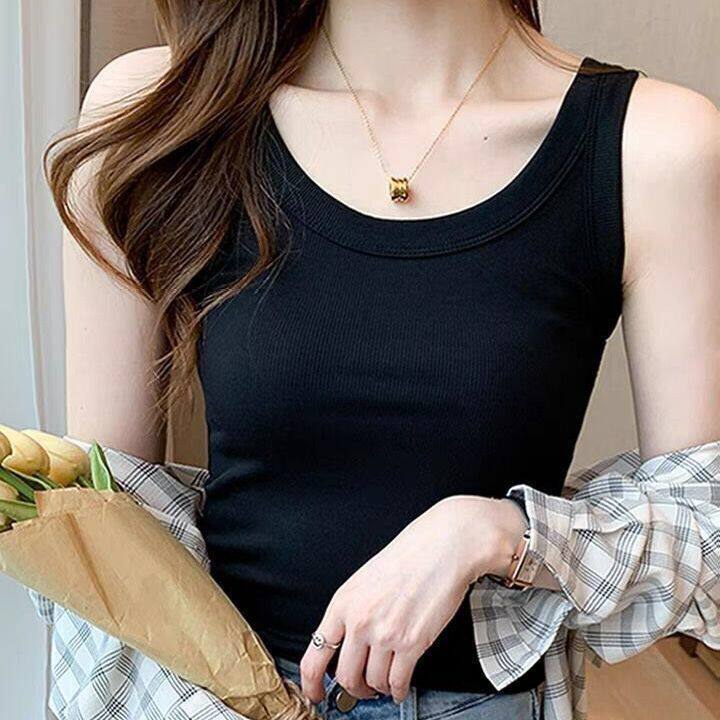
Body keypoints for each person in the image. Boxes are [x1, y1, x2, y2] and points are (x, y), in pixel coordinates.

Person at [52, 2, 720, 719]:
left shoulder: (653, 144)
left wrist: (498, 533)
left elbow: (706, 534)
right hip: (209, 697)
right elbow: (100, 523)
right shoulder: (162, 108)